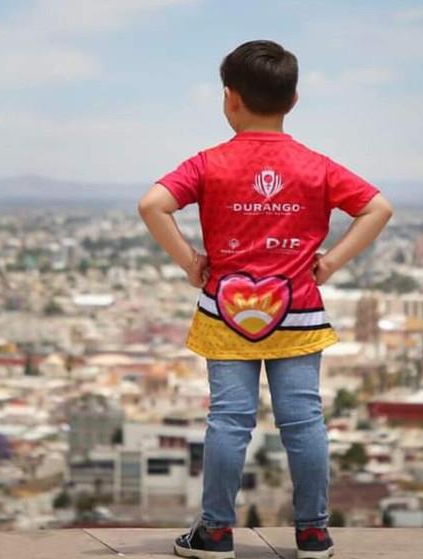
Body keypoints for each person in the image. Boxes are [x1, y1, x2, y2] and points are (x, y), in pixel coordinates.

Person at [138, 40, 393, 559]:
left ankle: (214, 532)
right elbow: (378, 208)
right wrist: (333, 262)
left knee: (229, 420)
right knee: (303, 420)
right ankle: (314, 532)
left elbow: (152, 205)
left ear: (229, 99)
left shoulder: (210, 163)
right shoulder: (316, 166)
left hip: (226, 310)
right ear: (294, 99)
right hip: (298, 308)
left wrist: (191, 261)